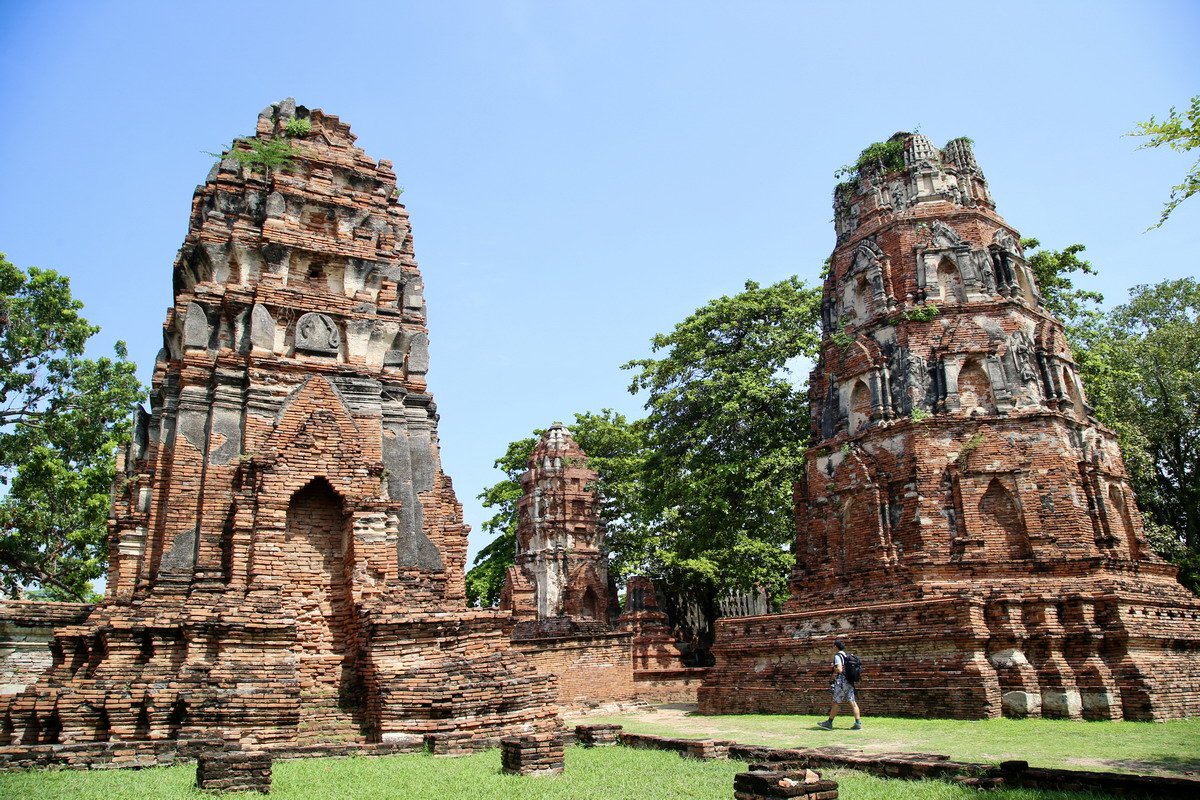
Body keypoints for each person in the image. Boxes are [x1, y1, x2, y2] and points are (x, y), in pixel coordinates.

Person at [817, 639, 861, 730]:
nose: (832, 647)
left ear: (836, 647)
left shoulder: (838, 656)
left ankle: (829, 723)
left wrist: (834, 666)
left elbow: (840, 670)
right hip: (849, 681)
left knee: (836, 702)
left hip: (841, 682)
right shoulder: (846, 655)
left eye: (833, 646)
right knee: (852, 702)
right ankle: (858, 723)